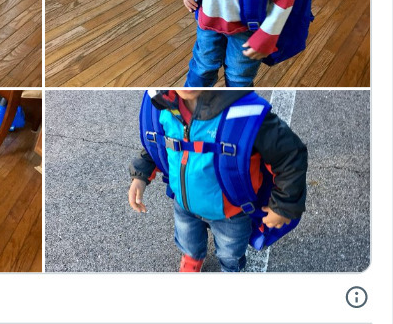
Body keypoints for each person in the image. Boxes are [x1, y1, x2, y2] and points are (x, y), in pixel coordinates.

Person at [128, 89, 307, 272]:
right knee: (187, 240)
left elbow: (289, 156)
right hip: (184, 204)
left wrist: (284, 204)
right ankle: (192, 257)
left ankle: (230, 267)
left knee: (230, 252)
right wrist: (140, 175)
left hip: (232, 212)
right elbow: (157, 143)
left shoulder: (245, 113)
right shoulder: (162, 103)